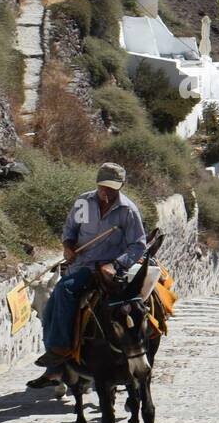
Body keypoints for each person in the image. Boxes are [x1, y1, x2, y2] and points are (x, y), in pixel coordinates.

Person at [26, 163, 147, 388]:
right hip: (82, 265)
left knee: (64, 290)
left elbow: (138, 246)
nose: (106, 192)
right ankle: (56, 367)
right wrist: (68, 246)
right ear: (97, 183)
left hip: (109, 269)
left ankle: (61, 353)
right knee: (50, 309)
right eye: (103, 186)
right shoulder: (84, 202)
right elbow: (70, 229)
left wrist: (115, 265)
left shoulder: (128, 211)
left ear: (120, 186)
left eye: (111, 188)